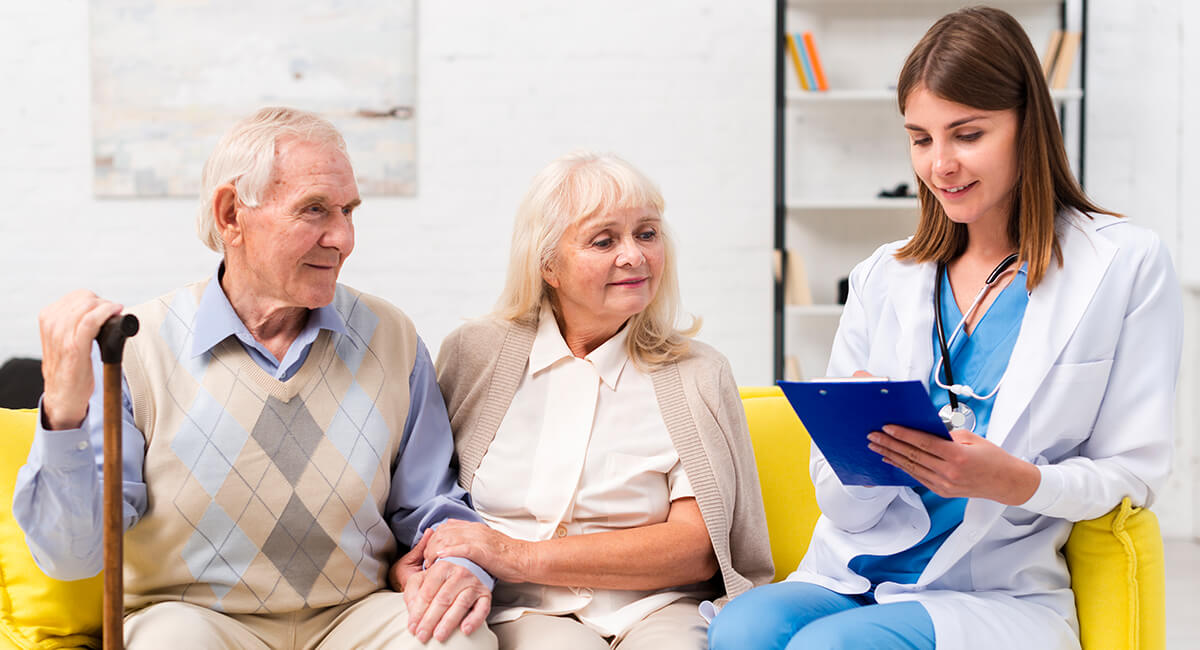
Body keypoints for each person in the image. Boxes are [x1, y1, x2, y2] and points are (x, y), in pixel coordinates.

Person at [708, 7, 1182, 650]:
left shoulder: (1125, 264)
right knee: (740, 630)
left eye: (967, 134)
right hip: (855, 568)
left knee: (829, 648)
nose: (940, 165)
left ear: (1028, 126)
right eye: (921, 138)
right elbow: (836, 496)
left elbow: (1134, 473)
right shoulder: (884, 275)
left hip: (991, 590)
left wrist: (1016, 481)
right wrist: (860, 455)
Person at [15, 107, 497, 650]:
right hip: (194, 617)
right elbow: (72, 553)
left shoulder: (391, 336)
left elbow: (431, 507)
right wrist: (63, 412)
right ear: (230, 214)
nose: (342, 238)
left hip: (353, 616)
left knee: (457, 638)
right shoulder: (136, 348)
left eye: (348, 211)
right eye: (314, 210)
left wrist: (457, 565)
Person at [409, 151, 774, 649]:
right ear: (548, 265)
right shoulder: (475, 354)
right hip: (523, 607)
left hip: (658, 605)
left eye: (647, 234)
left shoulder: (699, 373)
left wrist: (515, 553)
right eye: (605, 240)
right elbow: (424, 490)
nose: (635, 256)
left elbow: (695, 549)